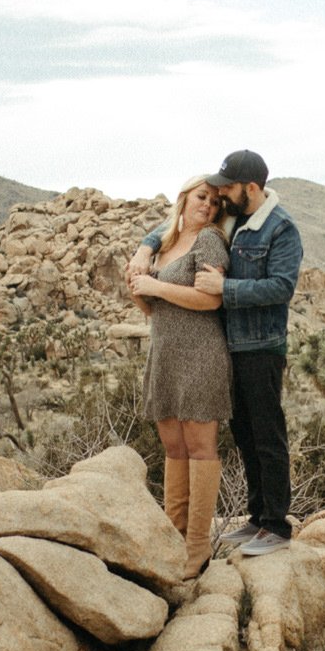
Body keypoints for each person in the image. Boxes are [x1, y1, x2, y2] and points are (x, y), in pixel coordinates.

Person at [128, 149, 301, 558]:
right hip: (229, 344)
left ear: (250, 188)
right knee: (245, 434)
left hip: (260, 345)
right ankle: (257, 518)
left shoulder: (280, 228)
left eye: (226, 188)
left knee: (267, 434)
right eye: (212, 191)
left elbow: (282, 287)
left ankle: (276, 525)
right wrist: (145, 246)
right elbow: (176, 224)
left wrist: (226, 289)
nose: (219, 196)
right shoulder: (234, 218)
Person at [127, 176, 231, 578]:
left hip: (201, 352)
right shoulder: (166, 242)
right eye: (202, 197)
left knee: (200, 447)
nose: (209, 206)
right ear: (184, 198)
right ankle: (175, 535)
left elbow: (210, 299)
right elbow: (154, 308)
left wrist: (155, 284)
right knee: (173, 447)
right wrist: (138, 288)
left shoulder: (209, 240)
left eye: (216, 203)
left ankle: (198, 545)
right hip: (166, 353)